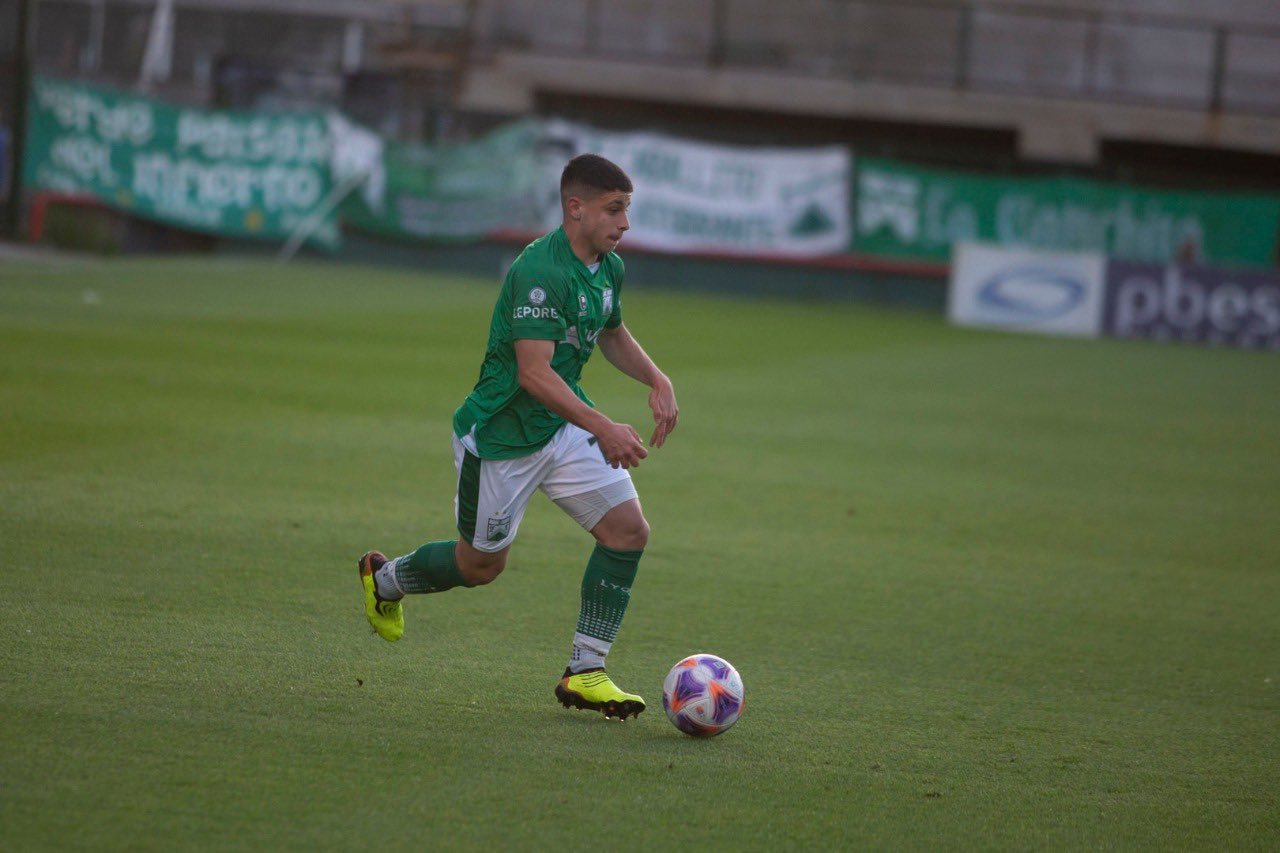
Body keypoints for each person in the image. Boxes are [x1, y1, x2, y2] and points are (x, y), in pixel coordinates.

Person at [358, 153, 678, 721]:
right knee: (481, 566)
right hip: (502, 438)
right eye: (614, 209)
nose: (624, 223)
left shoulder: (608, 267)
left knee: (628, 532)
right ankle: (386, 579)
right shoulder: (538, 270)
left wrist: (656, 377)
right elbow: (532, 373)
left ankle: (586, 671)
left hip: (559, 427)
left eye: (627, 210)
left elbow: (612, 331)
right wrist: (603, 425)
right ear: (575, 209)